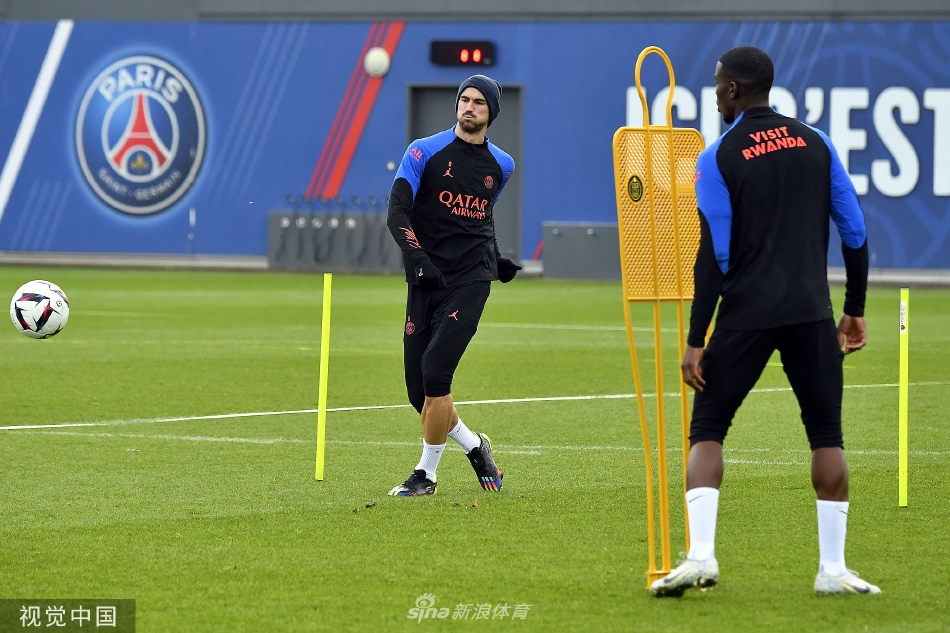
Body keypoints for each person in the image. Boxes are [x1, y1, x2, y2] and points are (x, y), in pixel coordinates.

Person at [649, 47, 879, 597]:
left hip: (746, 316)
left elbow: (715, 256)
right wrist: (854, 308)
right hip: (811, 314)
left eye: (716, 85)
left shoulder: (717, 156)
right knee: (826, 435)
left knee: (708, 429)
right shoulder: (818, 143)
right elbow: (854, 230)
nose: (714, 94)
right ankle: (833, 571)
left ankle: (701, 557)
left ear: (733, 90)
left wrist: (696, 339)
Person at [385, 74, 521, 497]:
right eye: (465, 99)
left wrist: (494, 258)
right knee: (419, 393)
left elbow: (482, 216)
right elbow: (397, 211)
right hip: (425, 278)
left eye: (479, 102)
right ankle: (475, 446)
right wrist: (418, 260)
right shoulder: (423, 151)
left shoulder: (502, 165)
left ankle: (425, 475)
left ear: (491, 112)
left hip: (470, 279)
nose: (469, 106)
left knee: (435, 373)